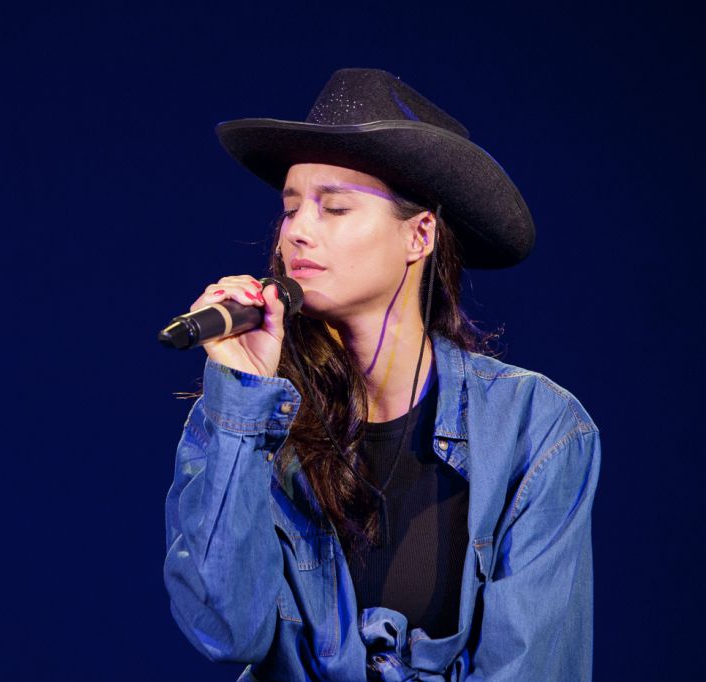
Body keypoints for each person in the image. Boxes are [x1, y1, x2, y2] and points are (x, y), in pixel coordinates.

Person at [163, 69, 600, 681]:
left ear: (419, 236)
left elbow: (533, 666)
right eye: (290, 209)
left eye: (335, 207)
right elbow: (225, 629)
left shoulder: (538, 428)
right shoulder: (252, 413)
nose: (298, 232)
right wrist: (241, 398)